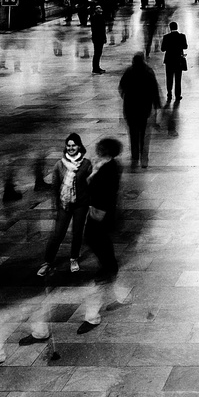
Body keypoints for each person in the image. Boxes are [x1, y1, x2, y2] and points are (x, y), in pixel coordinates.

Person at [82, 136, 123, 322]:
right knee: (101, 244)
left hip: (100, 213)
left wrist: (93, 176)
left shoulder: (109, 169)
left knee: (95, 241)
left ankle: (108, 270)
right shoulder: (108, 165)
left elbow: (97, 189)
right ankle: (109, 272)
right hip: (99, 212)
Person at [38, 134, 91, 276]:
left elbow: (89, 185)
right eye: (68, 145)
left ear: (79, 146)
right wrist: (54, 207)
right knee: (58, 234)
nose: (71, 148)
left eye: (73, 145)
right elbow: (54, 188)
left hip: (81, 204)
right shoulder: (59, 165)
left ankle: (74, 258)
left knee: (77, 232)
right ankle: (47, 262)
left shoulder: (86, 164)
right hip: (64, 204)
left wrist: (90, 202)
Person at [119, 53, 162, 167]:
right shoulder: (148, 72)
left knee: (133, 132)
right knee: (142, 131)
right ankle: (142, 152)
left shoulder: (129, 71)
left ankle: (135, 154)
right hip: (144, 107)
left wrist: (125, 96)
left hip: (130, 107)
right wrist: (156, 105)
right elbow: (154, 90)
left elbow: (121, 86)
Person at [161, 21, 188, 102]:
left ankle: (169, 93)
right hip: (178, 60)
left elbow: (163, 49)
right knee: (178, 79)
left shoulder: (166, 37)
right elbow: (185, 46)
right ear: (177, 27)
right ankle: (177, 95)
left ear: (170, 28)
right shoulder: (182, 36)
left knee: (169, 78)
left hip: (169, 60)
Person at [90, 3, 109, 72]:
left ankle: (97, 67)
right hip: (98, 37)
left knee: (98, 53)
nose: (100, 9)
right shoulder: (96, 18)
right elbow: (98, 29)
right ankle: (95, 68)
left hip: (98, 37)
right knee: (97, 53)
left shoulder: (99, 17)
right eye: (98, 8)